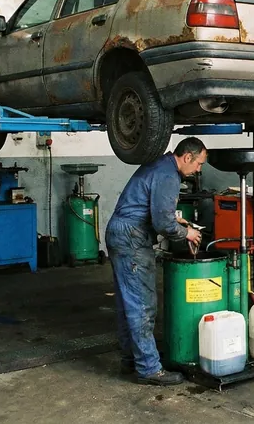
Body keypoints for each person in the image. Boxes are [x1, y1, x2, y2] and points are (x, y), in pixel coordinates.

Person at [106, 138, 206, 385]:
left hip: (120, 231)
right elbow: (162, 223)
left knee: (127, 301)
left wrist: (178, 221)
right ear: (187, 157)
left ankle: (133, 357)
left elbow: (155, 210)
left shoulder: (160, 165)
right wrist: (187, 233)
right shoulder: (169, 175)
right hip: (132, 238)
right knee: (142, 304)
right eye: (199, 164)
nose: (199, 170)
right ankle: (149, 368)